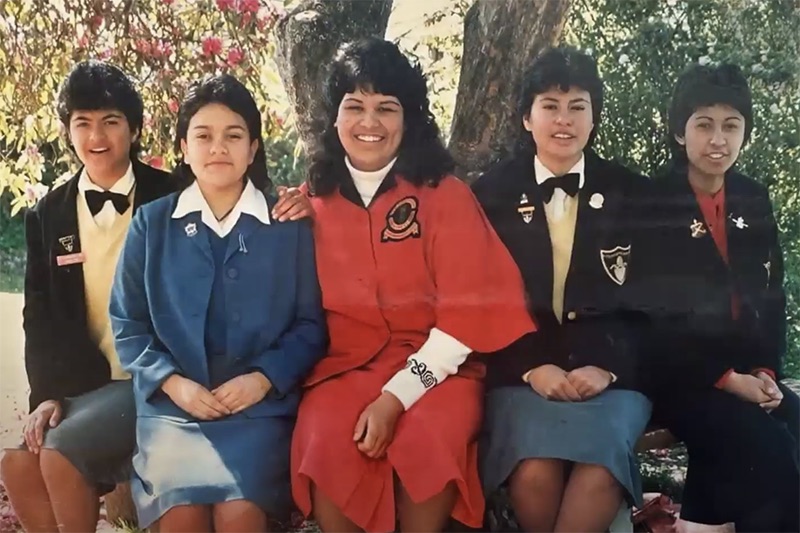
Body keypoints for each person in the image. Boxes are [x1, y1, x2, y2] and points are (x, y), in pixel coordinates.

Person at [290, 37, 535, 533]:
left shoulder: (446, 196)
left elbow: (465, 321)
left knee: (427, 438)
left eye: (387, 108)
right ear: (333, 118)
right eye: (354, 106)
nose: (369, 123)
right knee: (324, 435)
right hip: (345, 367)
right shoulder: (311, 202)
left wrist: (395, 397)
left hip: (437, 369)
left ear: (410, 118)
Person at [108, 73, 327, 531]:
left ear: (253, 148)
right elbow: (128, 322)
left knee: (240, 513)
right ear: (184, 148)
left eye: (234, 135)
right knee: (181, 514)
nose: (218, 148)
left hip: (259, 411)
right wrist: (172, 384)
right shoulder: (152, 224)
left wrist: (264, 379)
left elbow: (310, 325)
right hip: (173, 410)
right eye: (203, 136)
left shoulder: (287, 226)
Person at [472, 46, 652, 532]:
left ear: (594, 118)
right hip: (520, 373)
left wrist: (609, 368)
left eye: (578, 106)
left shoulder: (632, 194)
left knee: (598, 472)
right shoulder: (488, 194)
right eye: (550, 105)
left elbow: (653, 306)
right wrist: (530, 367)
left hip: (612, 379)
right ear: (527, 117)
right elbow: (477, 301)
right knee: (534, 473)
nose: (564, 120)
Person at [0, 60, 175, 533]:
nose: (96, 136)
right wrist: (47, 395)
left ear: (135, 129)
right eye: (83, 123)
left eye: (111, 122)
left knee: (59, 452)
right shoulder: (47, 214)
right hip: (84, 386)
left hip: (153, 378)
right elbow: (38, 317)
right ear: (68, 132)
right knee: (17, 463)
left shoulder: (174, 196)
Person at [639, 63, 799, 531]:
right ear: (679, 130)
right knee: (772, 457)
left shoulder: (753, 198)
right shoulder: (653, 204)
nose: (718, 140)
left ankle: (702, 522)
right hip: (679, 377)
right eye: (704, 125)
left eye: (731, 126)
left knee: (785, 427)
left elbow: (772, 299)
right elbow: (653, 320)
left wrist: (766, 373)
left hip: (748, 374)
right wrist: (729, 379)